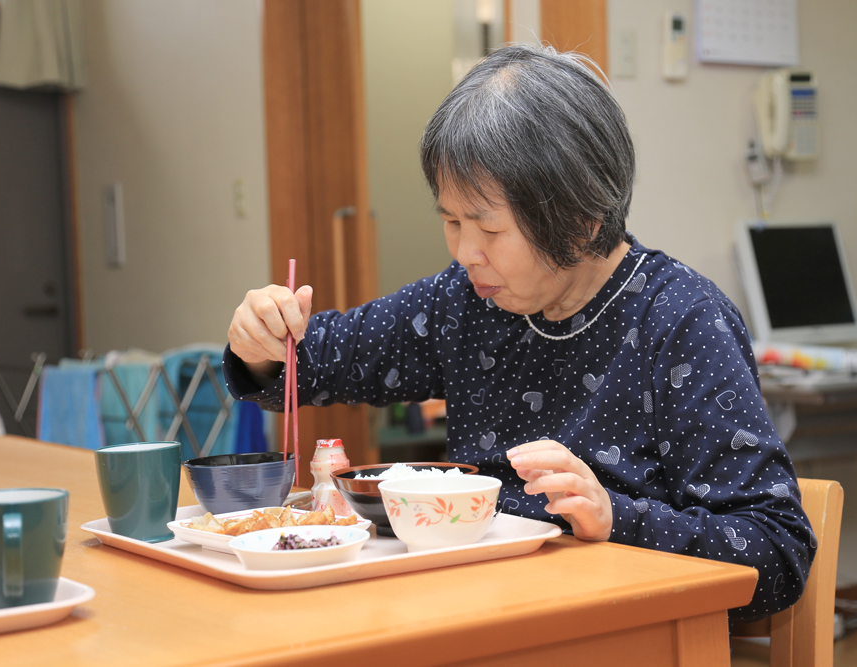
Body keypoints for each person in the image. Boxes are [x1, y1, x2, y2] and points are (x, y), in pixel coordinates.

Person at [223, 44, 815, 623]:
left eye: (487, 227)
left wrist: (616, 517)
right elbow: (314, 364)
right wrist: (262, 342)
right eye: (452, 222)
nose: (466, 252)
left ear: (581, 219)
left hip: (626, 631)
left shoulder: (680, 320)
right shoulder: (464, 300)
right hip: (486, 611)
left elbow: (777, 550)